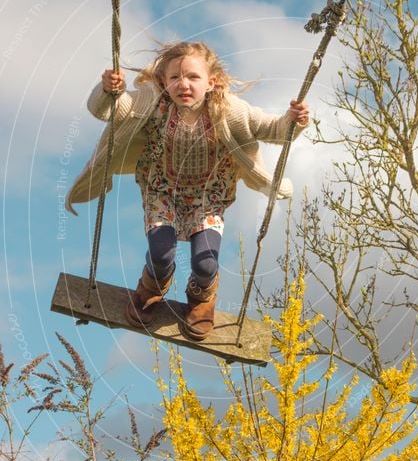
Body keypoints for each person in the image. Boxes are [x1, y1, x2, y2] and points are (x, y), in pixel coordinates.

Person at [66, 40, 309, 340]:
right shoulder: (151, 103)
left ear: (212, 82)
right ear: (163, 81)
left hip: (208, 198)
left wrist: (293, 121)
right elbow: (107, 110)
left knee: (205, 263)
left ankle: (202, 296)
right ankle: (153, 285)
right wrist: (109, 90)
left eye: (193, 77)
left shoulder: (230, 111)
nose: (184, 84)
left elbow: (275, 128)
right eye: (174, 78)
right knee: (161, 253)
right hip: (162, 192)